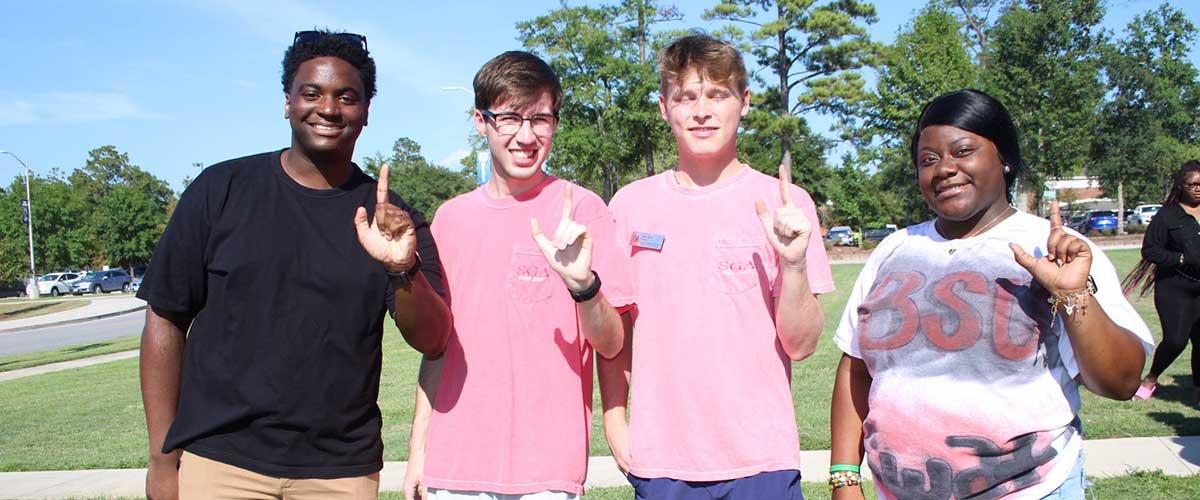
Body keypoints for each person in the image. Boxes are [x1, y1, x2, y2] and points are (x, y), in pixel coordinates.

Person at [138, 30, 452, 500]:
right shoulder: (220, 190)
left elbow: (434, 338)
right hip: (220, 459)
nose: (328, 107)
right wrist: (163, 460)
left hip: (339, 470)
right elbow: (165, 319)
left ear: (366, 112)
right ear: (287, 102)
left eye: (347, 97)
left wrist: (401, 268)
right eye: (312, 93)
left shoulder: (391, 220)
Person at [828, 89, 1153, 499]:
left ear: (1005, 159)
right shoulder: (893, 250)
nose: (944, 169)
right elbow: (856, 367)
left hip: (1032, 489)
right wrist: (844, 478)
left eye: (962, 151)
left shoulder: (1052, 246)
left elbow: (1121, 381)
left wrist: (1073, 296)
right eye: (928, 160)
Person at [600, 34, 835, 499]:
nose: (701, 111)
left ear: (743, 103)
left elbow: (803, 344)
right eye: (685, 97)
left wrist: (792, 267)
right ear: (665, 107)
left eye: (717, 95)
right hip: (662, 459)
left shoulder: (785, 203)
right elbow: (615, 334)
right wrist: (614, 420)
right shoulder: (630, 205)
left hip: (761, 458)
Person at [401, 51, 634, 500]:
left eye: (541, 119)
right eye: (509, 117)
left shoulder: (583, 211)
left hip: (546, 474)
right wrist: (417, 452)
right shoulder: (449, 219)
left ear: (555, 124)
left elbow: (611, 344)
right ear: (480, 121)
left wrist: (584, 286)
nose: (526, 136)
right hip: (454, 470)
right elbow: (436, 348)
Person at [1127, 160, 1200, 403]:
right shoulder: (1168, 216)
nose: (1198, 189)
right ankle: (1152, 377)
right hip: (1175, 286)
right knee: (1176, 339)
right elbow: (1150, 250)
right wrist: (1180, 258)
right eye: (1193, 184)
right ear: (1181, 185)